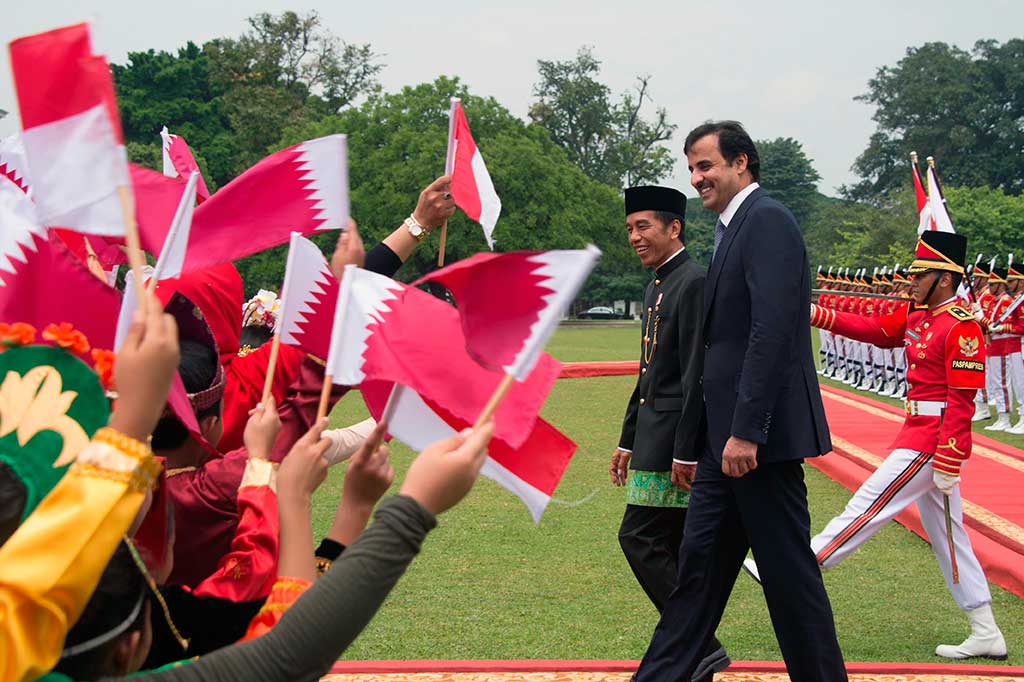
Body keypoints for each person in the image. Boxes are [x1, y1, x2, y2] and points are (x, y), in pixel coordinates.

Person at [634, 121, 847, 682]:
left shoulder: (767, 220)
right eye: (691, 168)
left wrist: (747, 430)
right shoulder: (732, 228)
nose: (696, 178)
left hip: (758, 446)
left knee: (789, 580)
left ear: (741, 163)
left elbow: (772, 333)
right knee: (696, 578)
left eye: (705, 165)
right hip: (722, 445)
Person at [800, 231, 1007, 660]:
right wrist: (815, 313)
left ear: (945, 279)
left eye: (920, 274)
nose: (911, 282)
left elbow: (962, 399)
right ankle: (985, 630)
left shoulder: (962, 327)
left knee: (868, 506)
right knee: (950, 538)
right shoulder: (920, 317)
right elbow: (873, 329)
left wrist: (951, 454)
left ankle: (799, 564)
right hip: (916, 431)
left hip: (932, 441)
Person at [611, 186, 728, 680]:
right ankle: (695, 650)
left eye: (644, 227)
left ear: (673, 228)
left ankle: (698, 642)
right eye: (631, 228)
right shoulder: (657, 284)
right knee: (676, 546)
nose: (635, 237)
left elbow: (696, 374)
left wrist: (685, 449)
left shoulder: (693, 282)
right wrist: (626, 439)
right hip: (653, 436)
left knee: (638, 537)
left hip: (678, 444)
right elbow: (648, 374)